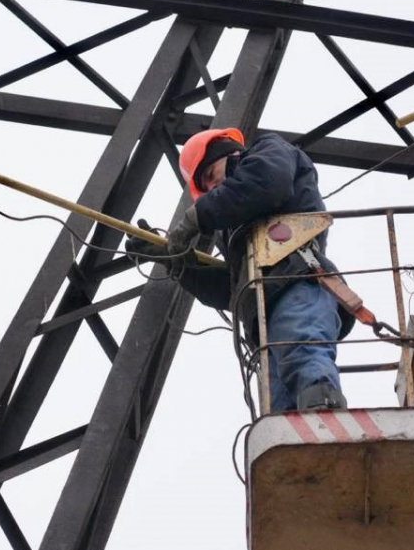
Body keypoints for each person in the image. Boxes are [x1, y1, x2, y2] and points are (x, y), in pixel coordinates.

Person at [127, 127, 353, 411]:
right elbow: (233, 289)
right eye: (206, 189)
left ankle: (325, 412)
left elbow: (267, 183)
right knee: (280, 403)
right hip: (265, 312)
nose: (212, 189)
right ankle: (301, 440)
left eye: (210, 176)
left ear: (229, 153)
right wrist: (178, 265)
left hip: (299, 280)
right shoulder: (235, 229)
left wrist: (196, 218)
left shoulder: (268, 152)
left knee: (302, 347)